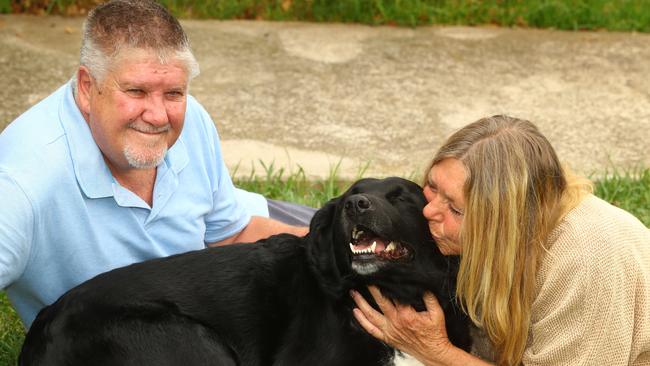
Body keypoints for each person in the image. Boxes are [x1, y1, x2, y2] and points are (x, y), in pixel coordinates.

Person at [0, 0, 315, 328]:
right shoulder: (23, 180)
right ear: (86, 87)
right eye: (136, 91)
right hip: (133, 337)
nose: (158, 115)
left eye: (174, 93)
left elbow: (231, 234)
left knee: (349, 232)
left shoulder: (192, 119)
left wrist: (331, 249)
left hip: (233, 234)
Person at [351, 115, 650, 365]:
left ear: (502, 223)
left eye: (455, 208)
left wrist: (435, 351)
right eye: (431, 185)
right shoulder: (497, 233)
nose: (429, 210)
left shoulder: (586, 263)